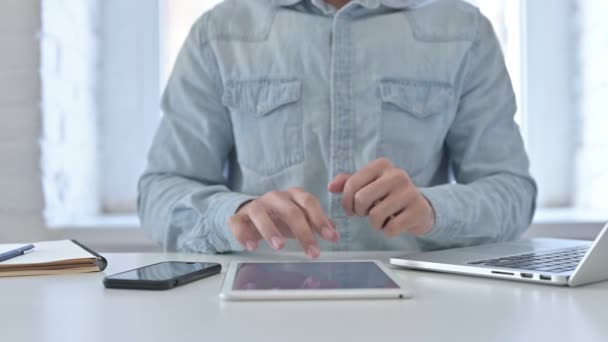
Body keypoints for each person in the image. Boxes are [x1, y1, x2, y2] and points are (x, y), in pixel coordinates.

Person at [138, 0, 537, 259]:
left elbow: (512, 192)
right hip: (257, 305)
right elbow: (161, 189)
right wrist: (235, 212)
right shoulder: (219, 32)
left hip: (419, 304)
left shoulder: (464, 30)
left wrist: (434, 211)